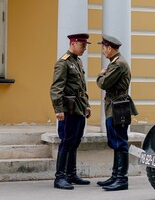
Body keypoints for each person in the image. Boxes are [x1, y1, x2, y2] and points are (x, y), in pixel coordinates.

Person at [50, 33, 91, 190]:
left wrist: (87, 105)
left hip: (79, 107)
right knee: (66, 141)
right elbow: (56, 88)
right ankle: (60, 177)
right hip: (68, 108)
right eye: (82, 46)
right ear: (73, 44)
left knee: (75, 141)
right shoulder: (63, 63)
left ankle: (71, 174)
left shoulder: (77, 62)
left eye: (85, 46)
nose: (84, 49)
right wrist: (59, 109)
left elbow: (82, 86)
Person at [96, 35, 138, 191]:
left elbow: (104, 83)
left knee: (120, 143)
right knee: (116, 142)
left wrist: (101, 74)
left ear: (109, 48)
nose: (102, 51)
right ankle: (115, 176)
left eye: (103, 48)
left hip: (118, 107)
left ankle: (121, 179)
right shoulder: (115, 62)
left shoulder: (118, 64)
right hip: (114, 106)